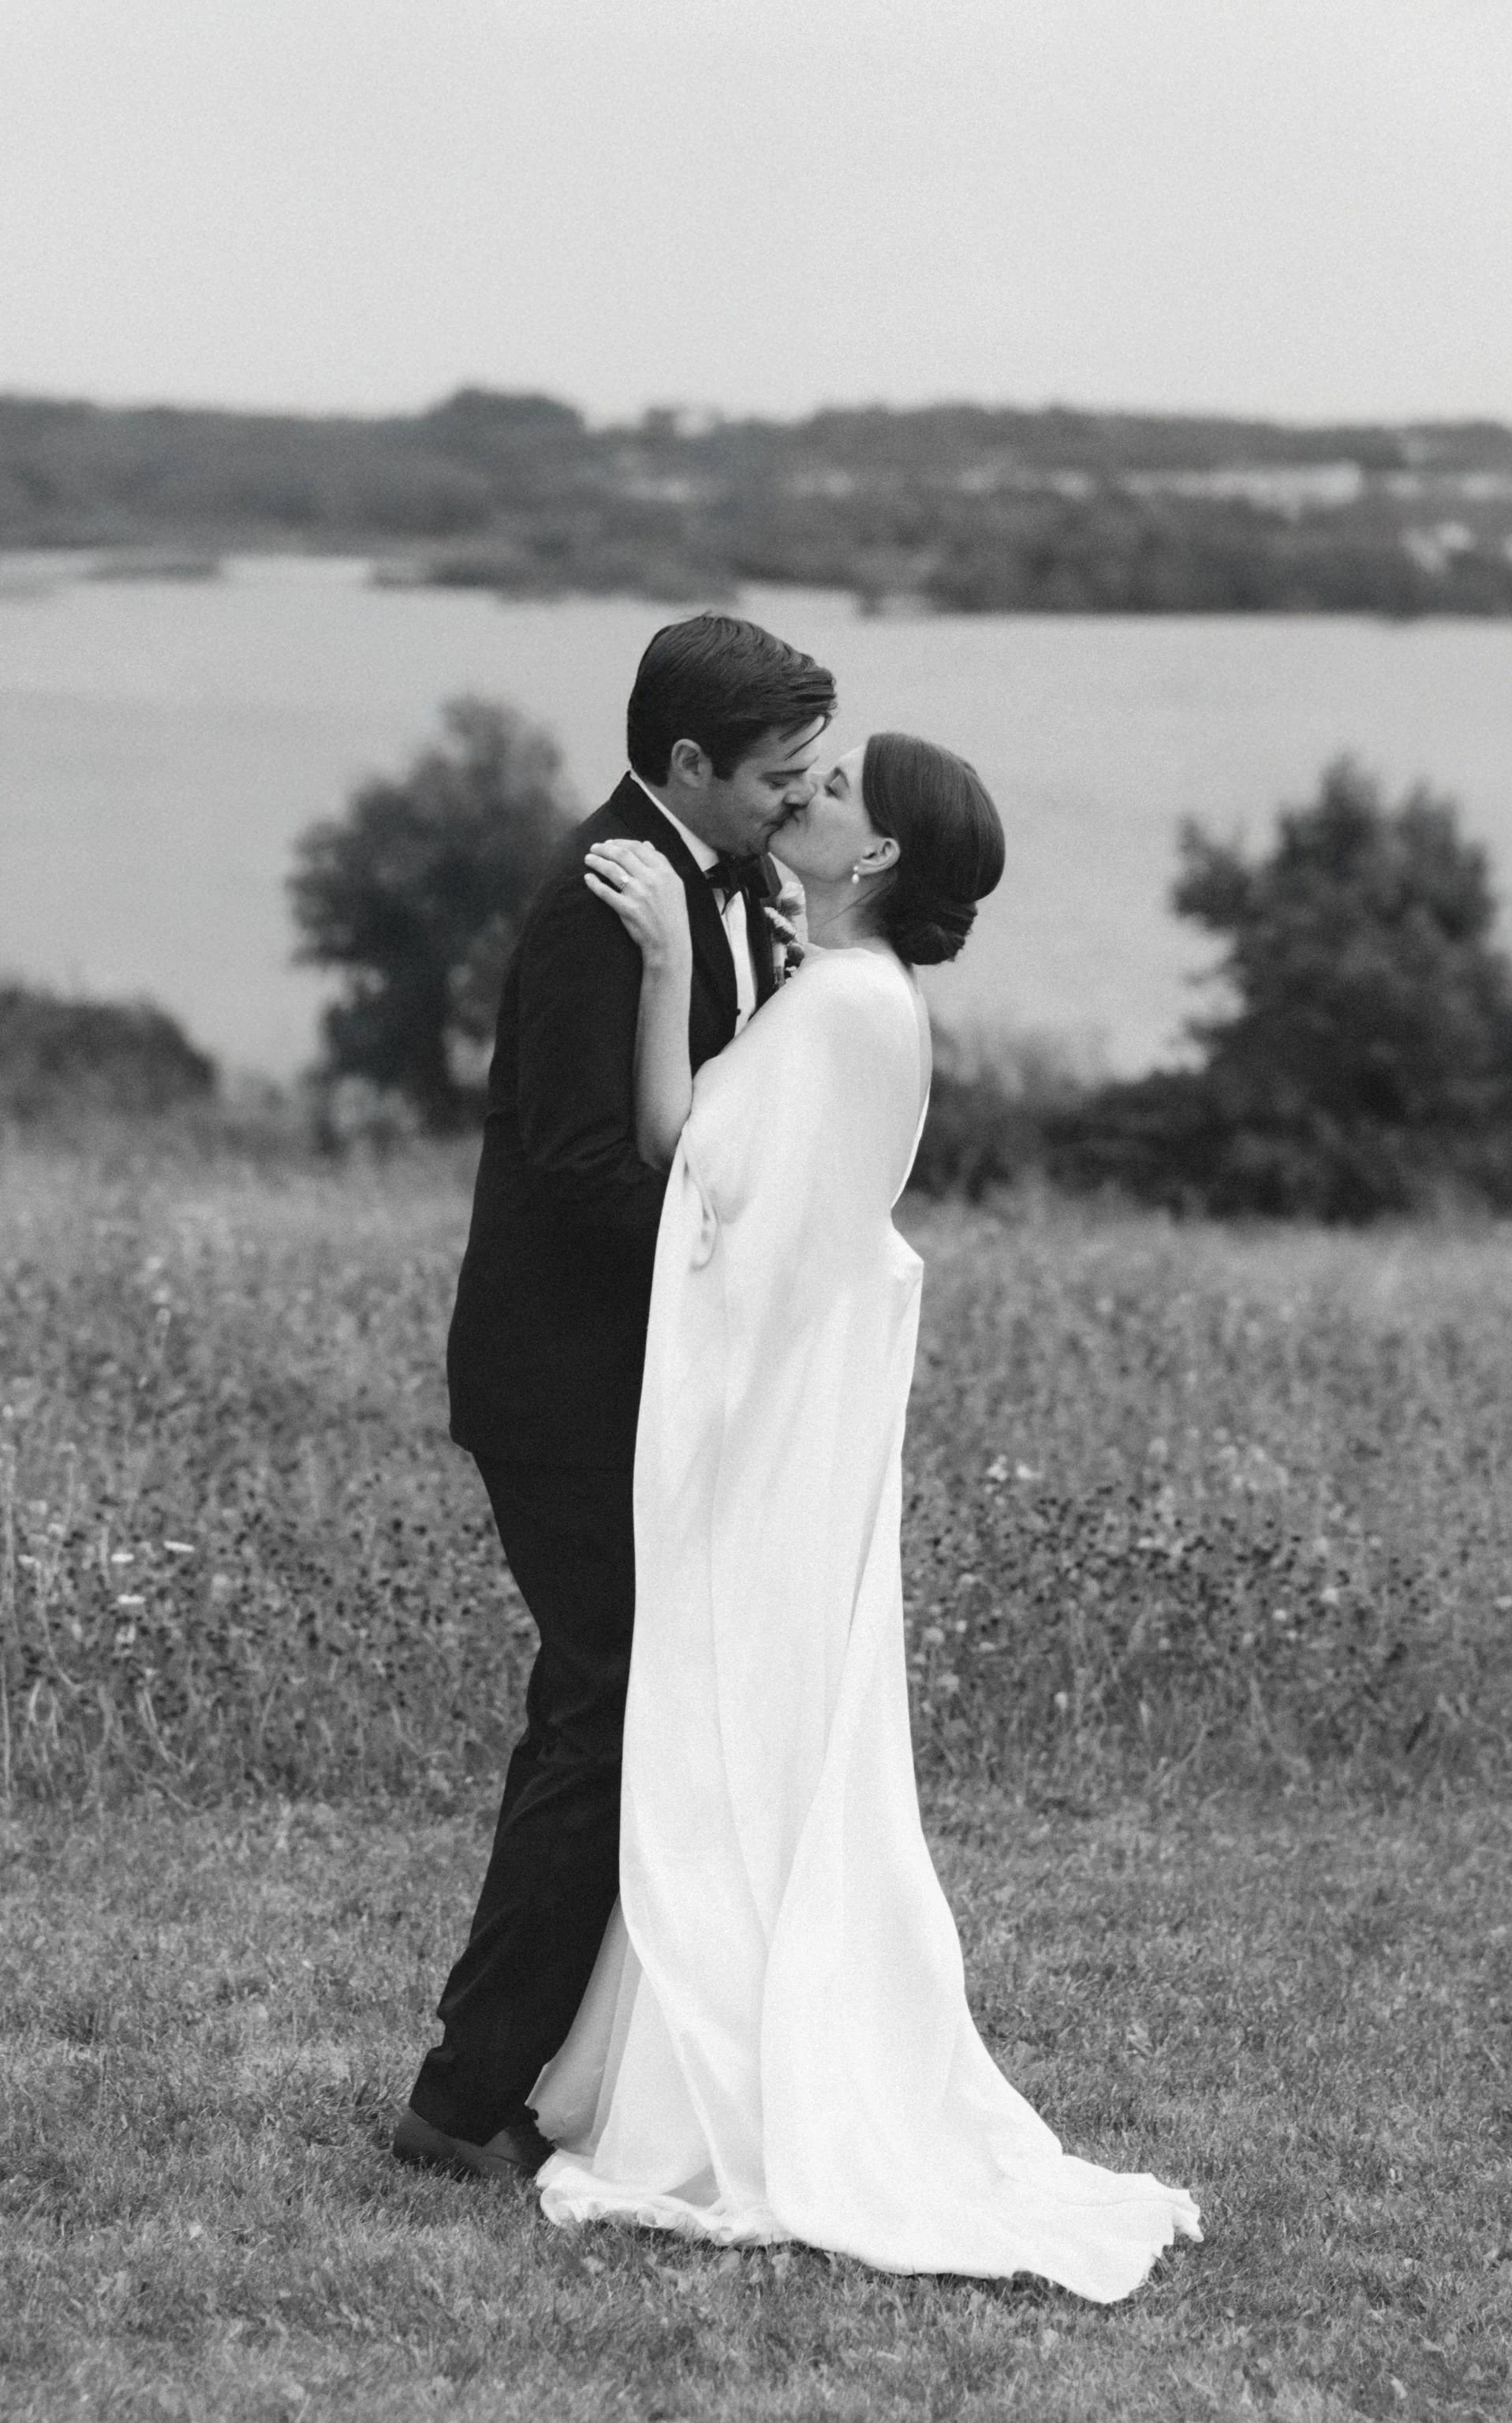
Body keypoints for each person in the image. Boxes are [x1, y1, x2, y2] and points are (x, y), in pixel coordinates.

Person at [530, 734, 1202, 2299]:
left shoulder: (842, 1004)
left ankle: (733, 2086)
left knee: (733, 1743)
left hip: (769, 1443)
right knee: (760, 1741)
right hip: (810, 1432)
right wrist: (697, 964)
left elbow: (679, 1157)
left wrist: (651, 960)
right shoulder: (857, 996)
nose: (798, 799)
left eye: (829, 796)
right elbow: (737, 1148)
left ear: (876, 858)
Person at [393, 614, 835, 2184]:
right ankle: (463, 2100)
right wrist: (744, 1272)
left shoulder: (729, 890)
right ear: (688, 764)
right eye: (775, 779)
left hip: (644, 1390)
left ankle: (545, 2071)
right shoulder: (601, 903)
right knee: (602, 1710)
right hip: (564, 1390)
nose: (796, 802)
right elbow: (584, 1169)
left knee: (610, 1715)